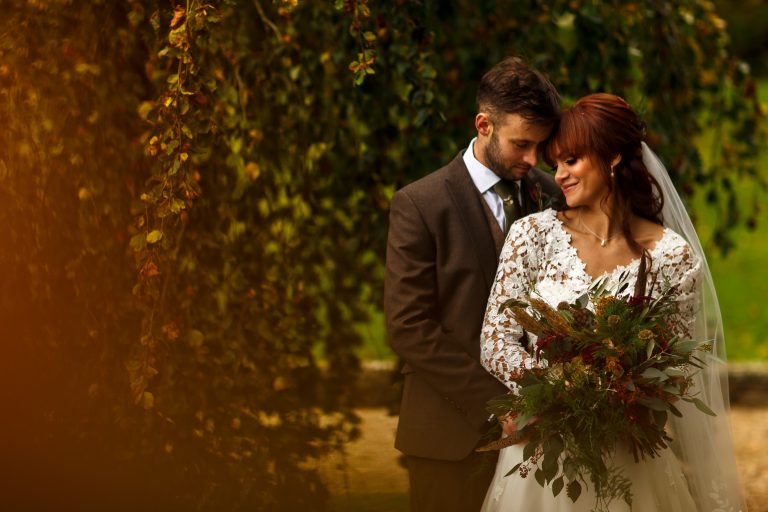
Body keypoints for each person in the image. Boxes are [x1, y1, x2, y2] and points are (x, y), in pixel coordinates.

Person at [479, 93, 746, 511]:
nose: (560, 175)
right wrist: (560, 394)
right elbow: (496, 341)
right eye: (556, 164)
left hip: (629, 458)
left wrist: (615, 397)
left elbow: (676, 368)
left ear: (614, 157)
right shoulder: (532, 235)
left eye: (571, 160)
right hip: (542, 454)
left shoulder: (671, 256)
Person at [383, 56, 564, 512]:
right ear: (483, 124)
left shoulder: (554, 195)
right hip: (448, 434)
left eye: (541, 146)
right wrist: (499, 404)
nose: (533, 160)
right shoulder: (421, 204)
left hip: (545, 438)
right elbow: (408, 326)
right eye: (521, 144)